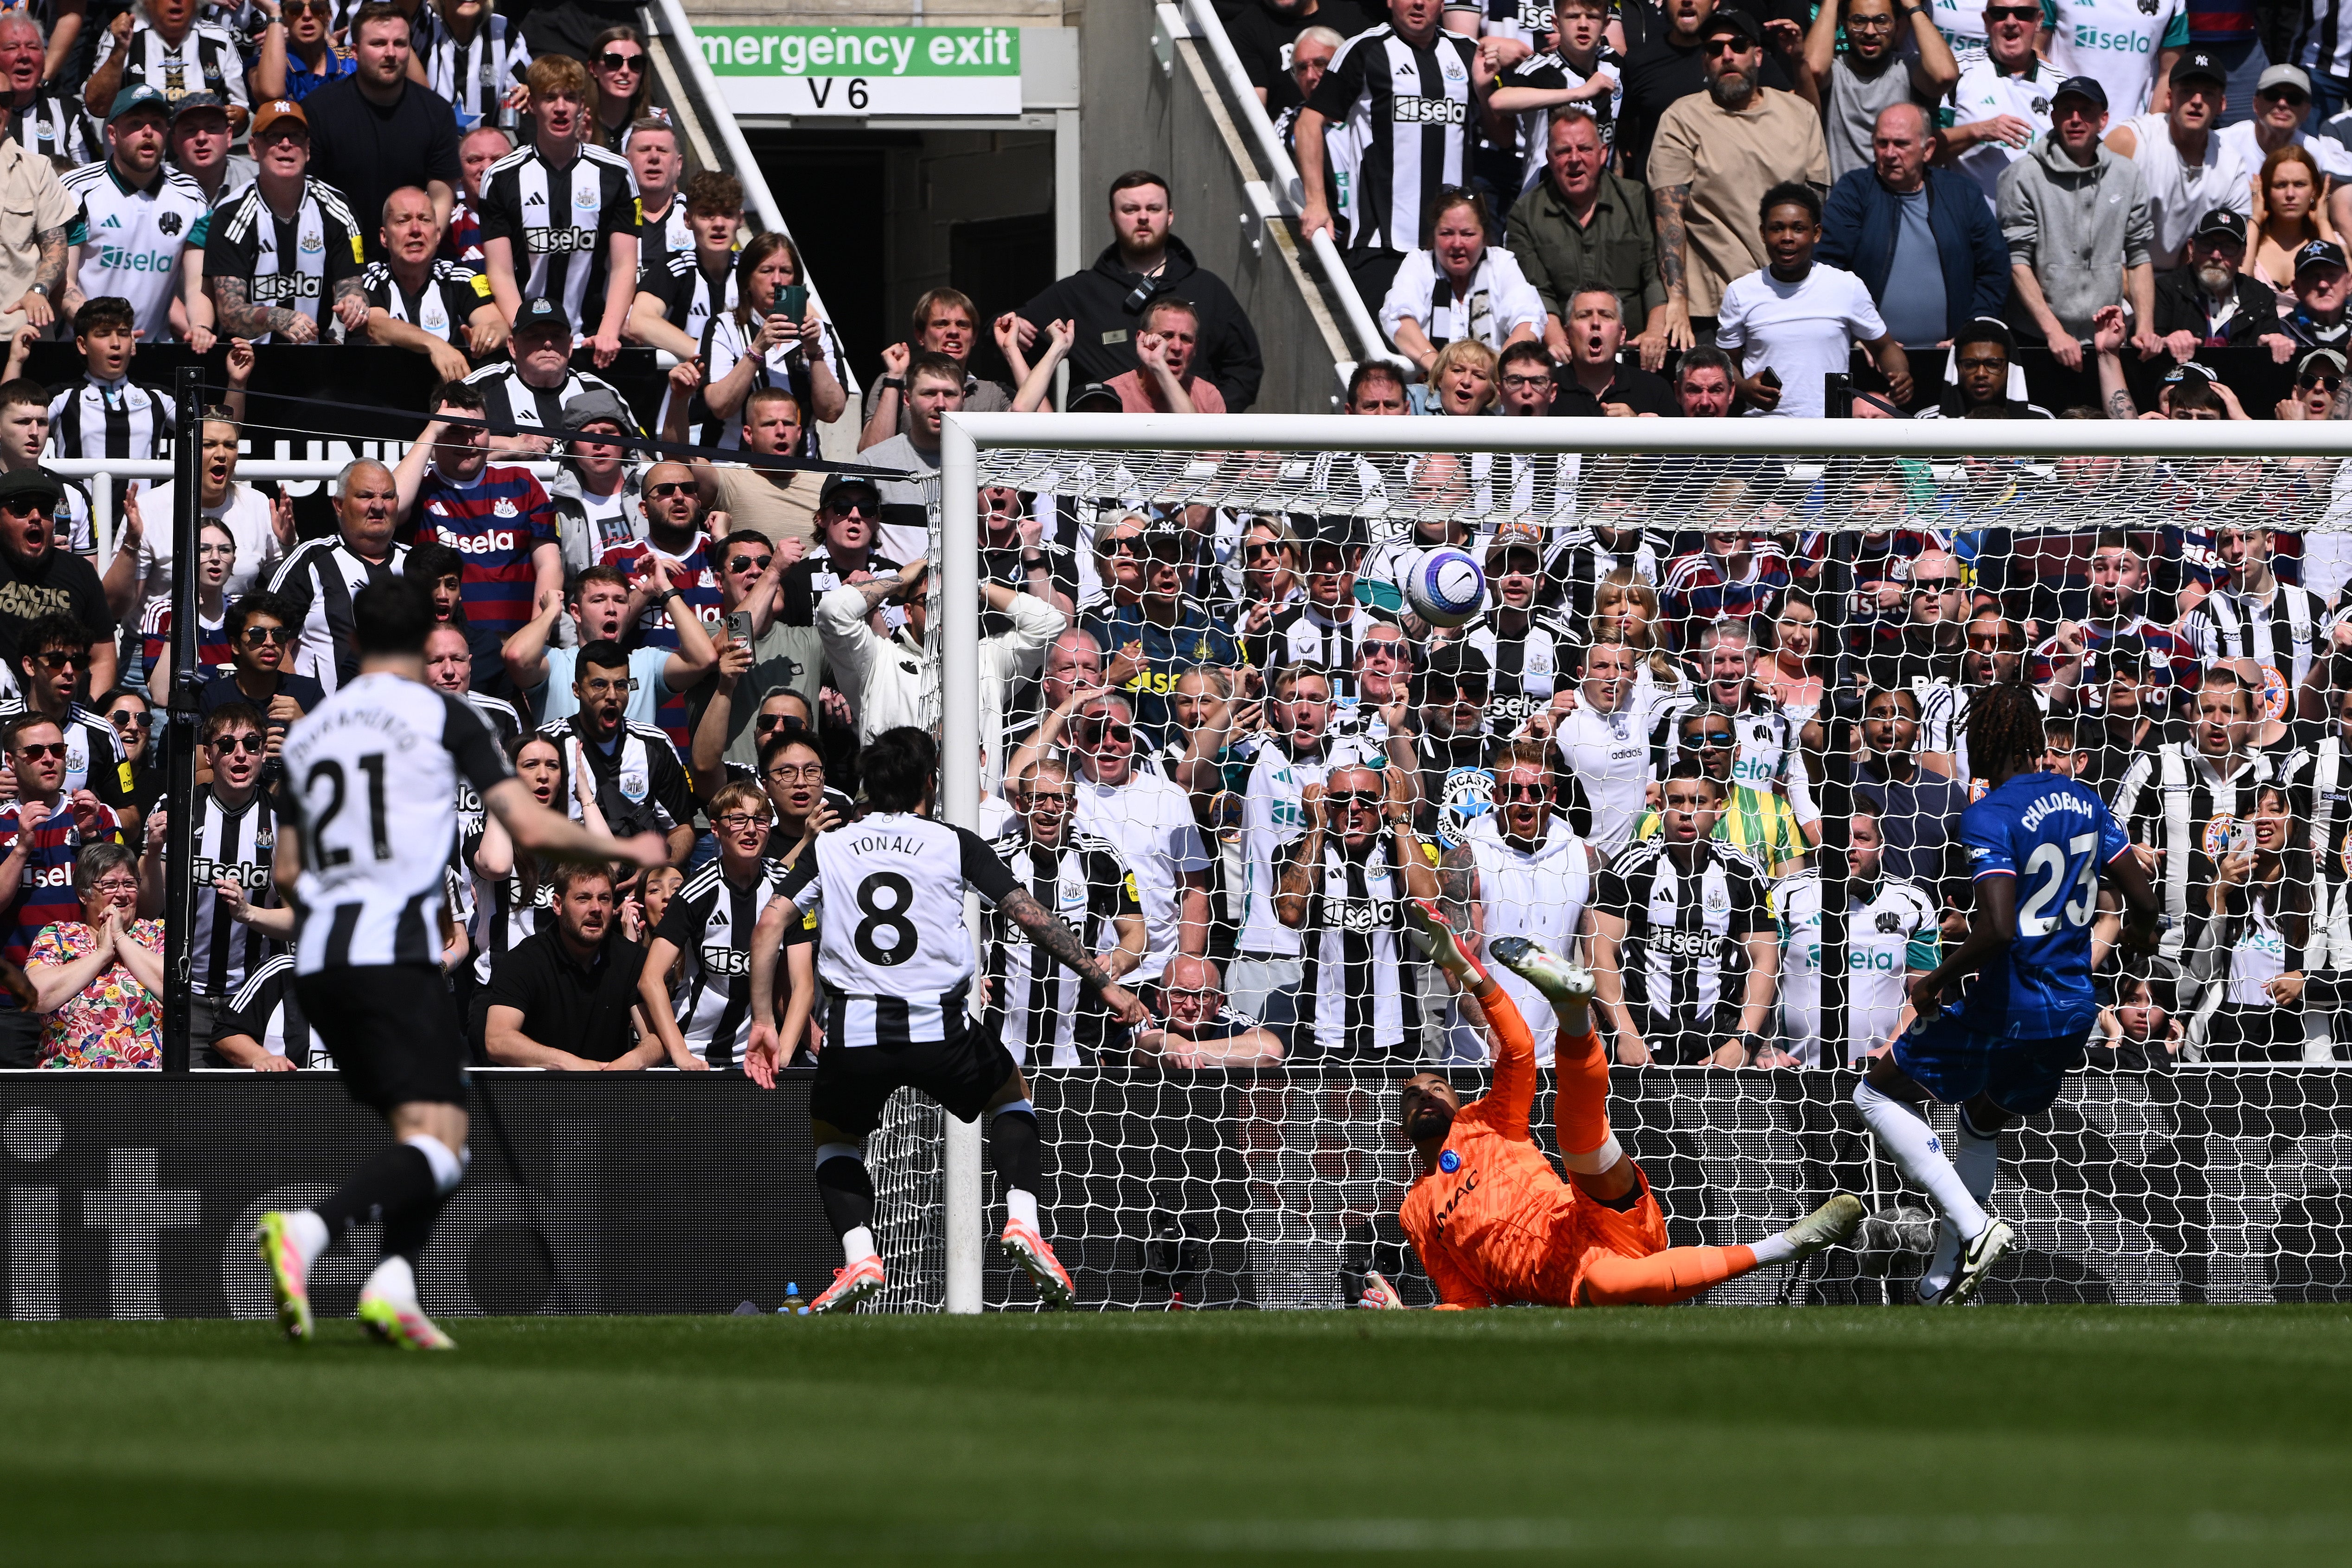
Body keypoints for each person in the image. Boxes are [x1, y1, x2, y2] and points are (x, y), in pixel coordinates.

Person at [255, 576, 666, 1350]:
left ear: (353, 642)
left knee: (432, 1134)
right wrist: (621, 846)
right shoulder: (442, 715)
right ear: (423, 640)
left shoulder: (310, 734)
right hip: (391, 953)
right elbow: (525, 825)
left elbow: (287, 873)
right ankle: (310, 1231)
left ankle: (391, 1285)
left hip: (320, 963)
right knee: (444, 1145)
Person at [743, 726, 1148, 1312]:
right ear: (928, 785)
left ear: (866, 786)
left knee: (835, 1136)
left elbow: (767, 927)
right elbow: (1030, 916)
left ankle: (860, 1255)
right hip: (940, 1028)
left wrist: (763, 1019)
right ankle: (1023, 1219)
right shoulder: (953, 842)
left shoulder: (828, 847)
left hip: (853, 1031)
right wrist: (1104, 982)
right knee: (1010, 1095)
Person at [1365, 899, 1861, 1309]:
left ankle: (1572, 1012)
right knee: (1606, 1282)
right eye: (1412, 1094)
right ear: (1400, 1125)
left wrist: (1467, 970)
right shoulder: (1415, 1211)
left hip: (1590, 1215)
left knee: (1577, 1137)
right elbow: (1464, 1301)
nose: (1425, 1094)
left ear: (1459, 1101)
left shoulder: (1485, 1123)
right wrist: (1404, 1318)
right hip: (1574, 1279)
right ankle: (1783, 1246)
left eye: (1437, 1087)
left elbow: (1517, 1048)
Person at [1855, 684, 2160, 1306]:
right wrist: (2134, 940)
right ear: (2031, 739)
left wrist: (1933, 982)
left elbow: (1996, 928)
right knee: (1979, 1121)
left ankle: (1973, 1227)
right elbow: (2145, 901)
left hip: (2008, 1003)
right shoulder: (2085, 800)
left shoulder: (1988, 813)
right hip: (2071, 1012)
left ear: (1982, 741)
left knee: (1875, 1093)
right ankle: (1944, 1281)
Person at [1648, 9, 1831, 350]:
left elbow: (1815, 212)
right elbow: (1669, 216)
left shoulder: (1800, 114)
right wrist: (1677, 299)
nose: (1727, 55)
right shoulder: (1682, 117)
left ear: (1758, 55)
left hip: (1790, 301)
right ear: (1705, 62)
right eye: (1715, 49)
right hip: (1714, 308)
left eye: (1738, 45)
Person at [1008, 170, 1264, 412]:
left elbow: (1245, 368)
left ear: (1170, 216)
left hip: (1189, 438)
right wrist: (1013, 325)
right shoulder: (1079, 293)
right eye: (1130, 209)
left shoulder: (1208, 289)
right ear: (1113, 217)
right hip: (1106, 441)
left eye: (1153, 209)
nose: (1143, 217)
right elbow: (1000, 334)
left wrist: (1213, 415)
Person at [1294, 0, 1490, 307]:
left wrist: (1489, 86)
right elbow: (1308, 124)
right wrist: (1317, 202)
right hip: (1380, 245)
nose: (1418, 2)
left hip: (1453, 248)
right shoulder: (1363, 50)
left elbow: (1502, 135)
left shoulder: (1468, 52)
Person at [1589, 763, 1778, 1066]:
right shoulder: (1630, 867)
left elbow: (1764, 960)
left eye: (1698, 802)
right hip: (1643, 1042)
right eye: (1677, 801)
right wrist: (1625, 1033)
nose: (1687, 812)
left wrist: (1743, 1040)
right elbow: (1599, 953)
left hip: (1718, 1044)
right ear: (1660, 808)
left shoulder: (1744, 872)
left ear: (1718, 809)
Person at [135, 703, 289, 1055]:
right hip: (186, 993)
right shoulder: (177, 808)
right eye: (227, 745)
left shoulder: (284, 820)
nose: (240, 755)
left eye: (251, 744)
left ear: (263, 753)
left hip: (256, 997)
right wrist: (153, 853)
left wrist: (249, 913)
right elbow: (148, 911)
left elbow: (302, 921)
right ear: (208, 754)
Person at [983, 757, 1147, 1067]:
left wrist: (1118, 960)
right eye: (1037, 797)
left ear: (1072, 807)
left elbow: (1135, 933)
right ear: (1019, 805)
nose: (1049, 808)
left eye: (1060, 798)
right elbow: (953, 925)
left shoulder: (1102, 858)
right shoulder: (994, 859)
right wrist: (970, 972)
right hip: (1001, 1039)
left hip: (1077, 1041)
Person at [475, 53, 634, 363]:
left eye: (570, 98)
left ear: (582, 106)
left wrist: (608, 331)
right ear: (533, 105)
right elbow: (500, 272)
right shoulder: (500, 177)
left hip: (593, 341)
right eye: (550, 98)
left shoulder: (616, 172)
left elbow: (624, 265)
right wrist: (524, 330)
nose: (561, 108)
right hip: (528, 342)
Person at [1273, 761, 1434, 1061]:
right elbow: (1289, 914)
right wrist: (1315, 829)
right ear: (1327, 806)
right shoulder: (1298, 852)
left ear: (1383, 805)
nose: (1354, 807)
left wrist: (1400, 818)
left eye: (1367, 799)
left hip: (1397, 1035)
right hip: (1322, 1037)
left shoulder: (1402, 849)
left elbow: (1430, 903)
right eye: (1341, 799)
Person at [1998, 75, 2158, 365]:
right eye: (2067, 110)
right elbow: (2017, 260)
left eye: (2086, 111)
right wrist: (2054, 333)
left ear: (2103, 120)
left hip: (2107, 335)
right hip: (2037, 338)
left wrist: (2145, 327)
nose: (2075, 119)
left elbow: (2139, 256)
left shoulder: (2128, 175)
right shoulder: (2022, 175)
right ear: (2053, 117)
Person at [1819, 103, 2009, 347]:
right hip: (1873, 355)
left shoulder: (1962, 194)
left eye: (1901, 144)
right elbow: (1828, 269)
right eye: (1882, 143)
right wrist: (1857, 335)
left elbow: (1994, 269)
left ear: (1928, 149)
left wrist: (1975, 329)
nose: (1890, 153)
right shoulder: (1854, 192)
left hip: (1952, 355)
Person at [1717, 181, 1914, 415]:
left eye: (1798, 229)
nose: (1787, 237)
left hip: (1830, 430)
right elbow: (1725, 361)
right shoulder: (1741, 292)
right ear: (1763, 233)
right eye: (1777, 228)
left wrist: (1900, 375)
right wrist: (1744, 388)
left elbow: (1885, 347)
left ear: (1816, 233)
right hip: (1765, 430)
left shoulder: (1846, 286)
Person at [288, 3, 461, 265]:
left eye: (400, 44)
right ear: (355, 52)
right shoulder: (319, 110)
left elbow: (441, 194)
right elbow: (307, 194)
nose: (390, 53)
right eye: (379, 44)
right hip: (334, 258)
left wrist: (418, 250)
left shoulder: (437, 113)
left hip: (410, 261)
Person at [1772, 812, 1940, 1066]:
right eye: (1841, 837)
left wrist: (1890, 1051)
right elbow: (1761, 974)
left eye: (1862, 838)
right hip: (1793, 1068)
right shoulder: (1787, 894)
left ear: (1881, 848)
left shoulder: (1912, 903)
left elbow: (1926, 992)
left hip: (1880, 1070)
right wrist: (1764, 1045)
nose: (1850, 846)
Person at [1504, 110, 1667, 365]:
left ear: (1603, 154)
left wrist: (1655, 332)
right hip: (1566, 356)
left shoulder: (1636, 200)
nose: (1574, 159)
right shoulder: (1524, 214)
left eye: (1584, 149)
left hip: (1633, 351)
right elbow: (1536, 292)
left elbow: (1653, 277)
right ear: (1549, 158)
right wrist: (1558, 342)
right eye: (1563, 151)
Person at [204, 99, 370, 346]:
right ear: (253, 148)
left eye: (296, 136)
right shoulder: (230, 215)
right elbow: (230, 315)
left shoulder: (339, 208)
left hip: (314, 352)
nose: (285, 144)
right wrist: (279, 318)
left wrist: (354, 301)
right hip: (248, 356)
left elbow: (351, 283)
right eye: (273, 136)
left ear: (308, 149)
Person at [59, 89, 211, 344]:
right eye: (136, 123)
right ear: (112, 135)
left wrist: (200, 327)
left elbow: (197, 285)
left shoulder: (191, 196)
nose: (148, 132)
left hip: (153, 351)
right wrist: (107, 333)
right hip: (83, 349)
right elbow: (64, 283)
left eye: (157, 124)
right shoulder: (77, 189)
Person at [477, 861, 661, 1069]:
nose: (596, 909)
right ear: (558, 905)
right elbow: (497, 1041)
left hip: (611, 1084)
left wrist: (628, 1064)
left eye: (605, 899)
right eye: (583, 898)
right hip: (543, 1088)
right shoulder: (525, 960)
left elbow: (657, 1039)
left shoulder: (632, 958)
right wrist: (569, 1064)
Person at [1615, 0, 1809, 188]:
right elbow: (1622, 135)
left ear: (1715, 2)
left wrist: (1799, 60)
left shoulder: (1740, 56)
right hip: (1661, 195)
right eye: (1715, 49)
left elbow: (1803, 114)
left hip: (1730, 196)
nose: (1687, 1)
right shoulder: (1638, 61)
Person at [686, 231, 847, 453]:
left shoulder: (819, 332)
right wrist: (757, 349)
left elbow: (832, 412)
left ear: (796, 280)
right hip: (734, 461)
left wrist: (814, 353)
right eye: (767, 271)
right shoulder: (724, 327)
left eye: (786, 271)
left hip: (802, 464)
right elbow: (721, 406)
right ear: (747, 281)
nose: (777, 280)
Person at [536, 638, 695, 860]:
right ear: (577, 690)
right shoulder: (547, 744)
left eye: (621, 685)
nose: (612, 696)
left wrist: (660, 871)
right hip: (567, 873)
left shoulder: (655, 745)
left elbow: (682, 829)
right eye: (599, 685)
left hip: (637, 877)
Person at [269, 459, 408, 697]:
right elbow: (270, 640)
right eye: (366, 496)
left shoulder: (417, 564)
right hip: (322, 714)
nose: (378, 506)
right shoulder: (310, 560)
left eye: (388, 496)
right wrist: (299, 705)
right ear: (339, 505)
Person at [2103, 52, 2250, 273]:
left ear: (2222, 104)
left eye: (2208, 93)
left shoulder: (2233, 165)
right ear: (2169, 99)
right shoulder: (2130, 142)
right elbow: (2093, 224)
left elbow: (2232, 244)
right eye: (2187, 91)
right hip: (2115, 271)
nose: (2197, 101)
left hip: (2185, 281)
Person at [24, 840, 161, 1069]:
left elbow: (175, 990)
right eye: (110, 885)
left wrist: (120, 937)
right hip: (69, 1078)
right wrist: (102, 954)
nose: (122, 894)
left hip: (144, 1081)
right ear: (83, 894)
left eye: (129, 884)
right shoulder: (58, 935)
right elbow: (36, 997)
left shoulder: (156, 933)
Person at [1377, 186, 1542, 374]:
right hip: (1430, 382)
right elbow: (1398, 318)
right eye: (1447, 233)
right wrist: (1440, 369)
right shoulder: (1419, 263)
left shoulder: (1501, 263)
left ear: (1484, 238)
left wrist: (1494, 372)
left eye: (1467, 234)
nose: (1457, 244)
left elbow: (1529, 320)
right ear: (1434, 236)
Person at [1801, 0, 1959, 183]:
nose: (1870, 31)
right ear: (1844, 25)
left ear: (1897, 26)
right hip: (1840, 198)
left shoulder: (1907, 68)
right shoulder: (1834, 70)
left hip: (1899, 197)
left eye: (1882, 21)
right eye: (1859, 21)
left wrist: (1913, 7)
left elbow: (1945, 76)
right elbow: (1812, 72)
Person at [360, 185, 503, 380]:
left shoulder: (460, 277)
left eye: (424, 220)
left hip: (452, 393)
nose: (416, 230)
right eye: (403, 221)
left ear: (437, 235)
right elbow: (377, 327)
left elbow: (499, 325)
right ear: (384, 237)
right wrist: (434, 345)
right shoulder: (371, 280)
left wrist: (488, 334)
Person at [461, 296, 632, 451]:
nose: (548, 343)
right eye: (535, 336)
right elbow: (447, 447)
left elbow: (639, 455)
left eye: (557, 336)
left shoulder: (600, 393)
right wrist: (510, 445)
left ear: (570, 346)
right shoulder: (480, 387)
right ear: (513, 346)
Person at [1488, 0, 1622, 195]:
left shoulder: (1614, 63)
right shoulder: (1541, 68)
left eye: (1592, 17)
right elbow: (1498, 101)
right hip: (1543, 201)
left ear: (1606, 24)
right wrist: (1582, 92)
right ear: (1556, 23)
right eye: (1573, 17)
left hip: (1601, 201)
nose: (1583, 24)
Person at [0, 468, 112, 693]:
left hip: (65, 709)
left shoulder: (80, 573)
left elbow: (102, 659)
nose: (36, 517)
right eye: (21, 508)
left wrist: (87, 708)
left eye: (45, 509)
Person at [1942, 0, 2059, 209]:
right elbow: (1927, 151)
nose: (2011, 22)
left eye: (2023, 13)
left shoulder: (2060, 85)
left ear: (2039, 21)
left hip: (2035, 225)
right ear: (1986, 22)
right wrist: (1978, 131)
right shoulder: (1956, 71)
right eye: (1999, 13)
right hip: (1967, 222)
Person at [860, 287, 1011, 450]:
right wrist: (894, 380)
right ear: (920, 336)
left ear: (974, 337)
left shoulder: (993, 393)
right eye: (941, 324)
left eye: (963, 325)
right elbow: (871, 453)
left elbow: (1034, 436)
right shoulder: (893, 382)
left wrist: (1011, 350)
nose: (954, 332)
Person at [0, 35, 72, 343]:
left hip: (22, 332)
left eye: (5, 100)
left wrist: (39, 290)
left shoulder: (38, 169)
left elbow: (57, 249)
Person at [627, 168, 743, 358]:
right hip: (691, 375)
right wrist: (712, 357)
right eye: (707, 214)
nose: (719, 224)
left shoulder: (754, 268)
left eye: (728, 214)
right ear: (688, 220)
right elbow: (640, 321)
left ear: (741, 220)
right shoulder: (675, 266)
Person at [2147, 208, 2290, 357]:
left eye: (2228, 248)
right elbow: (2144, 347)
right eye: (2207, 245)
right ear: (2191, 249)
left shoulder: (2261, 297)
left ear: (2243, 256)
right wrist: (2164, 341)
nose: (2216, 256)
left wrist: (2275, 344)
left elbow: (2271, 347)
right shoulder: (2166, 290)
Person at [82, 0, 249, 124]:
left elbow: (240, 110)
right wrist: (119, 51)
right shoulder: (123, 34)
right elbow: (98, 107)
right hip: (136, 158)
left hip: (200, 156)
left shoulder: (219, 39)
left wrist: (237, 117)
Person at [1133, 953, 1285, 1067]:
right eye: (1178, 994)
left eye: (1202, 996)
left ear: (1218, 1002)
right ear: (1160, 998)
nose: (1190, 1006)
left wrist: (1186, 1049)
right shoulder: (1149, 1022)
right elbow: (1133, 1050)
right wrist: (1165, 1043)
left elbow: (1272, 1051)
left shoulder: (1228, 1020)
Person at [2042, 0, 2186, 120]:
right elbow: (2036, 51)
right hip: (2065, 126)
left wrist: (2148, 132)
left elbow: (2169, 72)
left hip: (2131, 134)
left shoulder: (2172, 2)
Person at [1101, 295, 1229, 414]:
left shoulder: (1208, 397)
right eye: (1166, 336)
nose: (1177, 347)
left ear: (1195, 347)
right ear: (1142, 339)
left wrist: (1160, 369)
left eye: (1186, 339)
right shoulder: (1110, 395)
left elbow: (1190, 430)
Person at [418, 0, 530, 133]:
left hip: (487, 144)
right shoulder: (424, 26)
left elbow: (528, 88)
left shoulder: (504, 31)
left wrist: (528, 92)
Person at [0, 13, 94, 168]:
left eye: (33, 47)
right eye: (12, 47)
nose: (24, 55)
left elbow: (88, 176)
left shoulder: (69, 112)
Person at [259, 0, 359, 102]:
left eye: (317, 8)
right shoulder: (269, 66)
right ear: (284, 17)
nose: (307, 15)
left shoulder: (350, 60)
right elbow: (271, 93)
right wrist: (274, 13)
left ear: (329, 16)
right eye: (295, 10)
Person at [442, 122, 508, 264]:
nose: (487, 168)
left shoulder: (533, 220)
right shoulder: (447, 229)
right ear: (459, 170)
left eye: (498, 160)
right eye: (475, 160)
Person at [623, 118, 686, 267]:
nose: (654, 158)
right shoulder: (606, 218)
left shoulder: (698, 218)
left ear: (679, 164)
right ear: (625, 162)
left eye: (662, 150)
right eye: (644, 150)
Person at [2282, 237, 2352, 349]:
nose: (2323, 285)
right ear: (2296, 288)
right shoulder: (2282, 333)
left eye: (2331, 275)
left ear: (2350, 283)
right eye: (2312, 277)